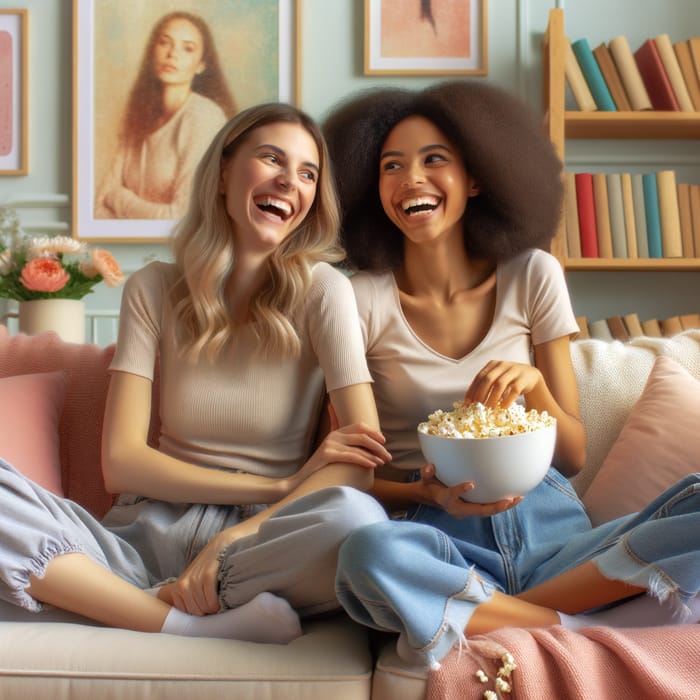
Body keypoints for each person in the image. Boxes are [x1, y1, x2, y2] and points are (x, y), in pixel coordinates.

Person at [322, 80, 700, 669]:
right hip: (445, 542)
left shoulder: (532, 274)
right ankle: (571, 624)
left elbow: (570, 457)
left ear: (475, 179)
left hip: (558, 538)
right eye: (391, 166)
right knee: (366, 553)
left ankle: (498, 612)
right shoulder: (356, 298)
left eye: (434, 160)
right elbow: (357, 471)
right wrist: (426, 490)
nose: (411, 179)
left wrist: (537, 390)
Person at [0, 102, 391, 643]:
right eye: (272, 158)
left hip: (255, 548)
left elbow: (359, 466)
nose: (289, 180)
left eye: (307, 173)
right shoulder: (154, 287)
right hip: (139, 540)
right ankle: (180, 623)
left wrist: (231, 539)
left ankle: (107, 605)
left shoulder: (326, 291)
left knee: (358, 521)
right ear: (225, 171)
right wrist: (281, 482)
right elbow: (122, 463)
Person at [94, 11, 236, 220]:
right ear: (153, 51)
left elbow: (180, 217)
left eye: (187, 48)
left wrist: (118, 198)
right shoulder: (140, 114)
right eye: (164, 43)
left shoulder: (204, 117)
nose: (172, 54)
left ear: (201, 65)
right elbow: (98, 207)